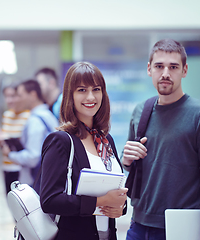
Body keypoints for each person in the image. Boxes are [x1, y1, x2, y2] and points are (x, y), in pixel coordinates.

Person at [122, 39, 200, 240]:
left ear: (184, 70)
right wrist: (126, 161)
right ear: (149, 69)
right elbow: (133, 167)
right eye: (159, 66)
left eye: (173, 67)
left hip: (180, 227)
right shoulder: (141, 111)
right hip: (138, 226)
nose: (166, 73)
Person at [40, 62, 128, 240]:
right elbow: (49, 200)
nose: (91, 97)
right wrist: (102, 201)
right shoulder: (61, 141)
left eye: (96, 89)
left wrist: (120, 207)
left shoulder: (105, 139)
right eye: (81, 90)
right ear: (70, 95)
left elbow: (113, 189)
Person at [2, 80, 58, 188]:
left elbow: (32, 158)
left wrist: (10, 155)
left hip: (36, 181)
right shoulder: (48, 115)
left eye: (20, 95)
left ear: (32, 95)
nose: (18, 99)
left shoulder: (35, 121)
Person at [0, 84, 30, 194]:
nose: (9, 100)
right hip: (7, 165)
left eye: (13, 96)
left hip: (21, 168)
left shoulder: (29, 116)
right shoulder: (7, 115)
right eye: (6, 96)